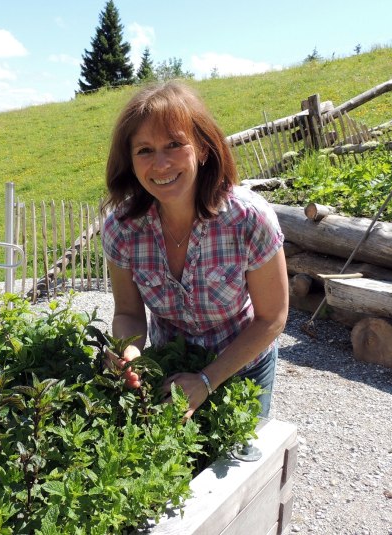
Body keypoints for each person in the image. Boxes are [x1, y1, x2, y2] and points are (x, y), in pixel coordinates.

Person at [101, 81, 288, 420]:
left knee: (241, 466)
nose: (160, 165)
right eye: (144, 150)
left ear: (202, 148)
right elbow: (128, 312)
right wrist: (129, 351)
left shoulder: (248, 219)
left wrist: (207, 380)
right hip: (171, 363)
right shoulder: (123, 229)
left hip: (242, 366)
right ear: (129, 161)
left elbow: (271, 318)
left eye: (174, 144)